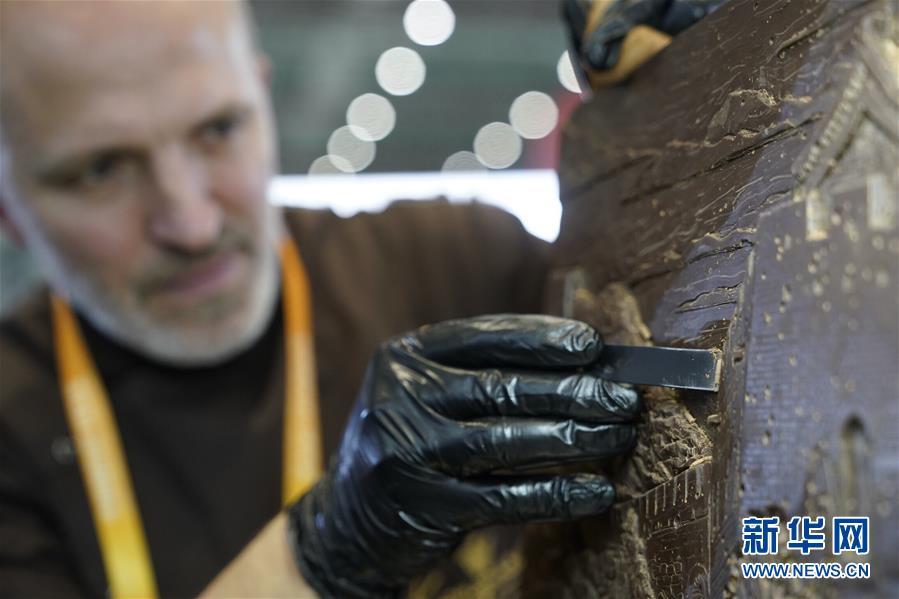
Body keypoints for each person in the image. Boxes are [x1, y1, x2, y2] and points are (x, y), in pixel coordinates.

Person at [0, 0, 710, 596]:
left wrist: (692, 82)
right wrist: (319, 557)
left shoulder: (460, 262)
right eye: (101, 170)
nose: (192, 224)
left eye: (219, 130)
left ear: (261, 96)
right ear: (9, 210)